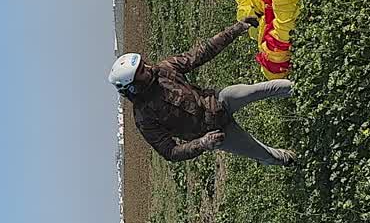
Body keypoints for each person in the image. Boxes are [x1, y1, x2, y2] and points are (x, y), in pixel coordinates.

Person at [109, 15, 296, 166]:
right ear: (132, 86)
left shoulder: (164, 69)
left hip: (220, 100)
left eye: (144, 63)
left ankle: (300, 89)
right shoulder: (144, 117)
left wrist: (237, 28)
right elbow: (170, 152)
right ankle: (291, 159)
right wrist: (202, 143)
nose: (148, 67)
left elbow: (202, 53)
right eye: (142, 70)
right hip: (217, 134)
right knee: (263, 153)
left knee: (261, 89)